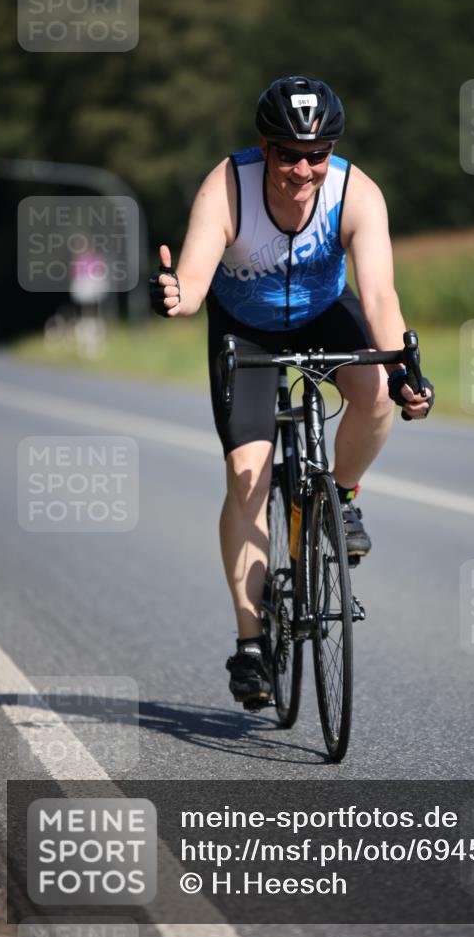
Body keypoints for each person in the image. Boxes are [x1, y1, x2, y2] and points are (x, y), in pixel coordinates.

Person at [150, 75, 433, 710]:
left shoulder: (356, 193)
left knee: (375, 393)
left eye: (317, 154)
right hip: (244, 328)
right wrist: (174, 295)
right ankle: (251, 643)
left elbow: (379, 295)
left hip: (324, 312)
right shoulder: (227, 187)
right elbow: (192, 283)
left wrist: (403, 373)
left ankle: (342, 498)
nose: (303, 170)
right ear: (264, 147)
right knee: (247, 475)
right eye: (287, 155)